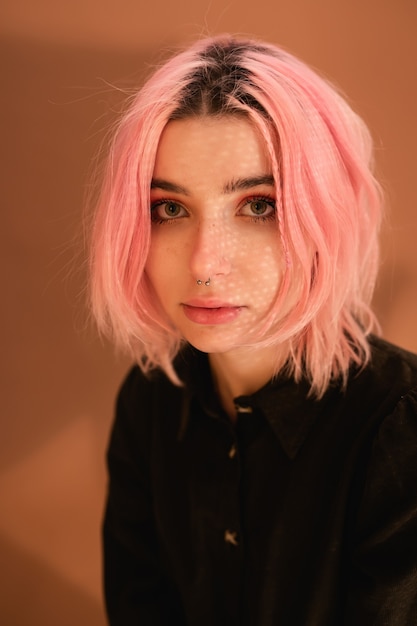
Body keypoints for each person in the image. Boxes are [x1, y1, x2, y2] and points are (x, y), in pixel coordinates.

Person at [90, 35, 417, 625]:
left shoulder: (401, 428)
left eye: (258, 205)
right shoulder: (150, 403)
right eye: (170, 208)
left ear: (326, 216)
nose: (203, 263)